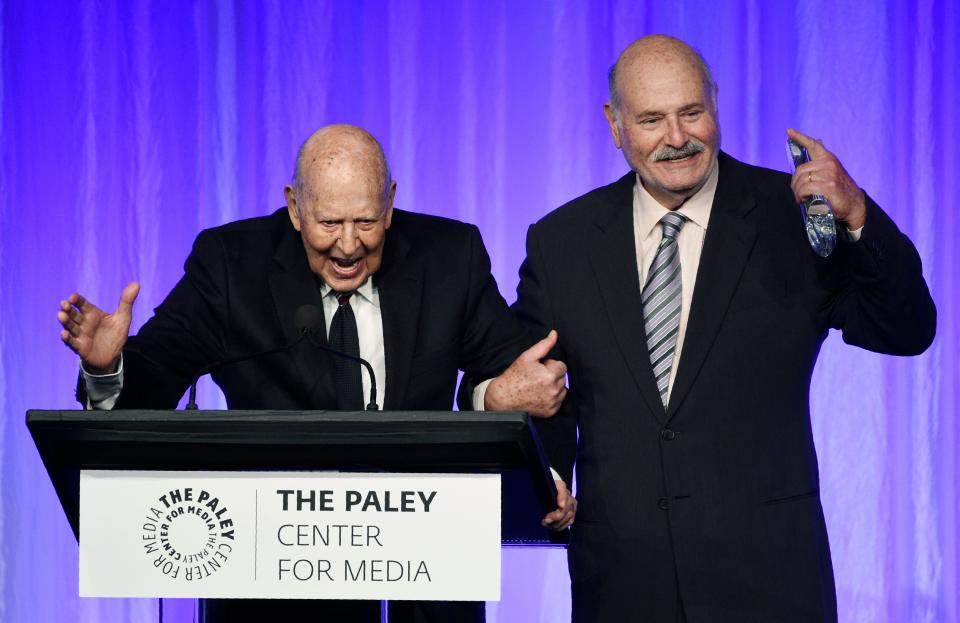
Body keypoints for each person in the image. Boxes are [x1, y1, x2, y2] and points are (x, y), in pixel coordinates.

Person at [57, 124, 574, 623]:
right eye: (329, 223)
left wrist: (525, 450)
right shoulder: (231, 265)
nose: (348, 246)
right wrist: (109, 367)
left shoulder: (448, 256)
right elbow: (157, 377)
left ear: (390, 203)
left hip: (422, 587)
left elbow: (525, 377)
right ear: (294, 207)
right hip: (270, 592)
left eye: (366, 222)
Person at [505, 35, 936, 621]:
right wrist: (546, 476)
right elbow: (535, 386)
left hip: (768, 580)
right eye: (652, 119)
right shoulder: (562, 241)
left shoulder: (791, 215)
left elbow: (906, 329)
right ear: (615, 124)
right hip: (622, 582)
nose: (677, 138)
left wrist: (859, 214)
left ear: (716, 103)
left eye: (692, 112)